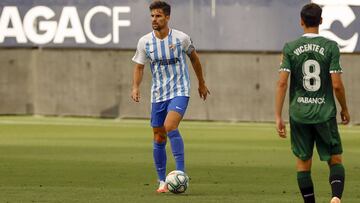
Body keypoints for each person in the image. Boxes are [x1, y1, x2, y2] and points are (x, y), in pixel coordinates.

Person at [131, 1, 210, 193]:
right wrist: (135, 87)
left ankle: (181, 173)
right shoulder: (145, 42)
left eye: (158, 16)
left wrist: (201, 82)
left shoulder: (181, 38)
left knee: (170, 126)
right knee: (158, 136)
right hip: (158, 94)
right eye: (152, 16)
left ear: (167, 17)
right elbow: (139, 66)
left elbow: (194, 58)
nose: (154, 20)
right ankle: (161, 181)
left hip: (180, 91)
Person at [275, 3, 350, 203]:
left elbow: (282, 83)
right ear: (322, 21)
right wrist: (344, 109)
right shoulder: (331, 47)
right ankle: (335, 197)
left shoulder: (290, 48)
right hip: (324, 113)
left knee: (303, 164)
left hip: (299, 114)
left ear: (301, 22)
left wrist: (277, 116)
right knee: (335, 159)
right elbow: (337, 85)